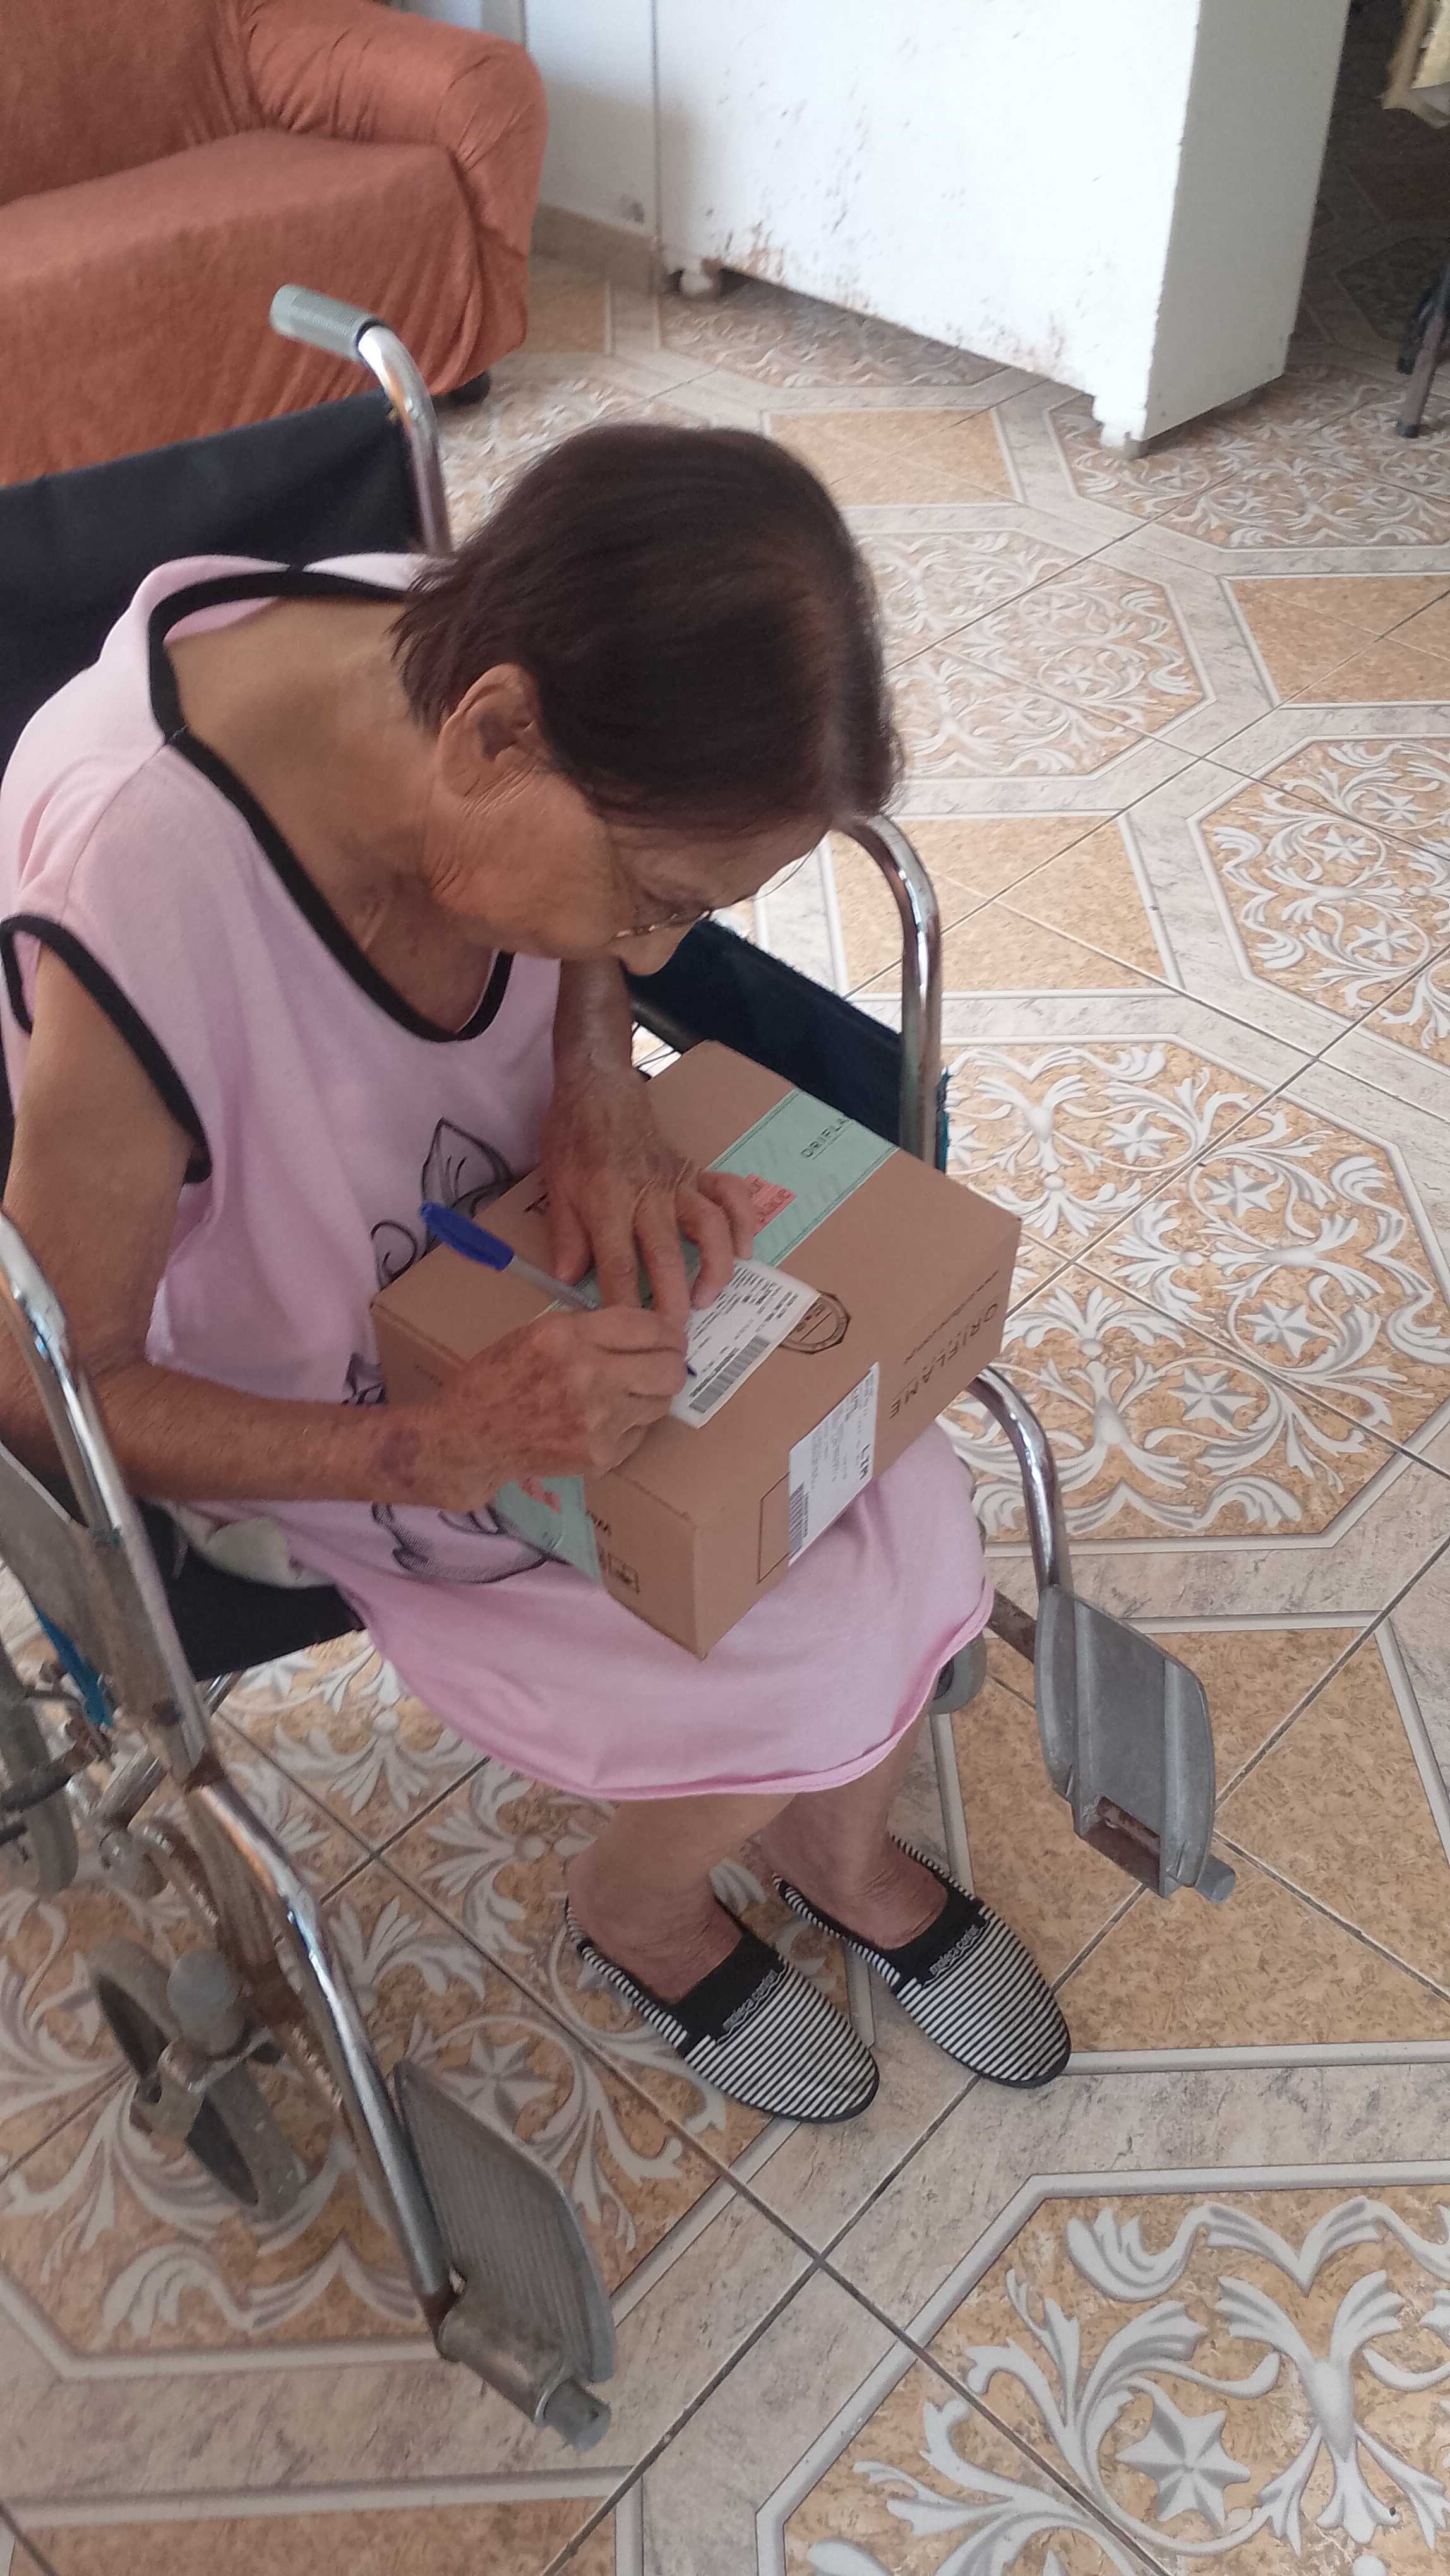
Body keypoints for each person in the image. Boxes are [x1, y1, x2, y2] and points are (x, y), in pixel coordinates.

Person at [0, 424, 1067, 2120]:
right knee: (793, 1639)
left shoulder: (456, 633)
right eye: (646, 898)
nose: (651, 952)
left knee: (901, 1497)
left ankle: (831, 1853)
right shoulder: (138, 881)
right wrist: (435, 1445)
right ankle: (639, 1909)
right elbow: (43, 1381)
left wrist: (592, 1078)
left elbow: (587, 952)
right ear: (494, 731)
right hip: (326, 1393)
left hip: (508, 1234)